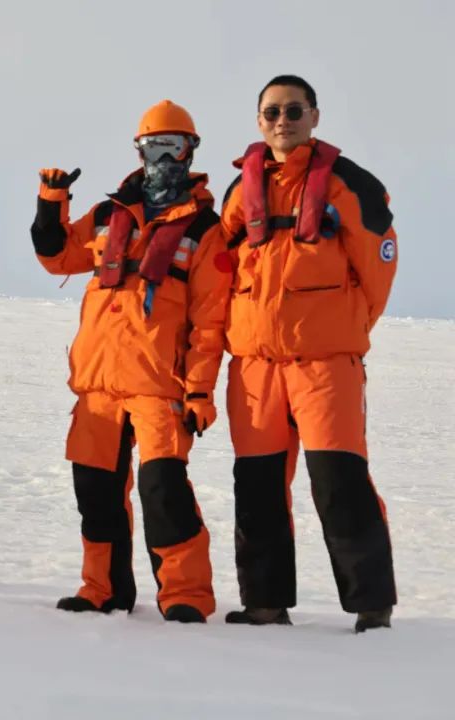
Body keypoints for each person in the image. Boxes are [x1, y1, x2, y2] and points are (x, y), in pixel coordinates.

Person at [31, 100, 230, 623]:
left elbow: (210, 325)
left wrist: (200, 391)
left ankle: (186, 593)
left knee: (162, 491)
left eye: (173, 146)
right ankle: (104, 589)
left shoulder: (205, 229)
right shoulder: (107, 216)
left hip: (159, 386)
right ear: (138, 151)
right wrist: (49, 205)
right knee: (95, 494)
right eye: (152, 146)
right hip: (98, 383)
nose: (162, 157)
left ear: (191, 152)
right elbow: (57, 255)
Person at [220, 75, 397, 632]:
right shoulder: (238, 191)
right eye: (271, 111)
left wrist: (341, 329)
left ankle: (372, 607)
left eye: (294, 109)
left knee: (338, 480)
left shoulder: (350, 185)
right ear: (258, 121)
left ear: (315, 116)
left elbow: (379, 270)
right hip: (253, 369)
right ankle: (265, 604)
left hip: (326, 366)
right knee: (257, 487)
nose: (282, 120)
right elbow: (214, 274)